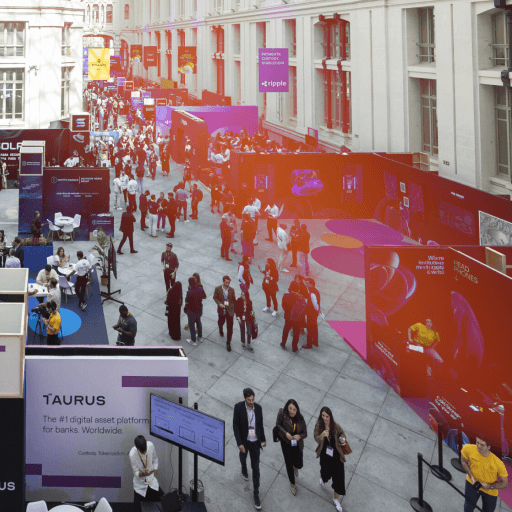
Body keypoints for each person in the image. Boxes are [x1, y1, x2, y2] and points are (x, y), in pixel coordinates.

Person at [233, 388, 266, 510]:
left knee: (256, 469)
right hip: (244, 442)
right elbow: (235, 426)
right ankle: (243, 468)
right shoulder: (238, 408)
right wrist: (239, 443)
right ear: (244, 398)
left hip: (255, 443)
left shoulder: (259, 408)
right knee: (243, 458)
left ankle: (256, 494)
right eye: (249, 400)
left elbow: (260, 424)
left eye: (252, 399)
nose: (251, 402)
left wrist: (263, 439)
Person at [314, 407, 350, 512]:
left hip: (337, 456)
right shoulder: (318, 425)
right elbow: (316, 437)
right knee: (325, 473)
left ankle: (336, 499)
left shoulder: (335, 426)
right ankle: (323, 478)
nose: (325, 418)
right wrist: (321, 435)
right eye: (323, 415)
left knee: (339, 478)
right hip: (325, 455)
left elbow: (342, 433)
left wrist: (342, 439)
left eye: (327, 416)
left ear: (330, 416)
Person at [461, 435, 509, 512]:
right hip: (471, 483)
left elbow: (505, 483)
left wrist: (490, 486)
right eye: (477, 442)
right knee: (468, 508)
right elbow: (463, 461)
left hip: (490, 491)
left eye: (482, 445)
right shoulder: (467, 448)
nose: (478, 446)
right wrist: (472, 478)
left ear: (489, 447)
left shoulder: (498, 463)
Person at [275, 399, 308, 496]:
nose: (292, 411)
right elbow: (278, 425)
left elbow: (305, 433)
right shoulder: (282, 413)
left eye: (294, 409)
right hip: (286, 443)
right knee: (288, 463)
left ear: (297, 410)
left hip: (297, 444)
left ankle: (295, 467)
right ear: (287, 407)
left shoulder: (300, 418)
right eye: (290, 408)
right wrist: (285, 433)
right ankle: (292, 483)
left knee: (299, 464)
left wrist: (299, 436)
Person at [129, 435, 164, 512]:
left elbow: (155, 460)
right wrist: (143, 474)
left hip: (151, 481)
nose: (144, 453)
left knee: (165, 503)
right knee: (137, 509)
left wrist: (155, 475)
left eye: (145, 450)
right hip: (140, 485)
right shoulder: (132, 454)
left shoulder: (150, 445)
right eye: (142, 452)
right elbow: (136, 473)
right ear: (137, 448)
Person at [213, 276, 237, 352]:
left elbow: (234, 300)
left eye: (229, 282)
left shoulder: (232, 290)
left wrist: (233, 308)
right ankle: (220, 328)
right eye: (226, 282)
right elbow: (215, 297)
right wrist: (219, 304)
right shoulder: (217, 288)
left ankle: (228, 343)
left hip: (230, 311)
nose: (227, 284)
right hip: (222, 310)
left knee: (230, 328)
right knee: (221, 322)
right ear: (223, 281)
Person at [281, 281, 305, 352]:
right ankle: (294, 347)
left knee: (286, 330)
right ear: (298, 289)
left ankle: (283, 343)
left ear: (290, 288)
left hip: (288, 317)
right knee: (296, 333)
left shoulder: (285, 295)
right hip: (297, 319)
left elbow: (283, 306)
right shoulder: (301, 298)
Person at [185, 276, 207, 347]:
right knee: (198, 322)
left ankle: (193, 340)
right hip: (199, 309)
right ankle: (200, 337)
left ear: (189, 283)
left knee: (192, 325)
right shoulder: (200, 289)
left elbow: (186, 301)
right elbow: (205, 297)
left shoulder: (189, 292)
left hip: (191, 311)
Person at [303, 278, 321, 349]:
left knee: (310, 328)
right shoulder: (315, 291)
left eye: (307, 283)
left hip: (311, 313)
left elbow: (315, 304)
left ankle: (309, 344)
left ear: (311, 284)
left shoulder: (312, 293)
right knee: (314, 327)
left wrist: (317, 310)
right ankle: (315, 341)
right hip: (314, 313)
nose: (306, 285)